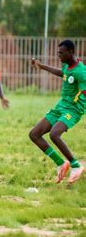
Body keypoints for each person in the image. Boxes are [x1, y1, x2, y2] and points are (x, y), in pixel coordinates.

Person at [29, 40, 85, 184]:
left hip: (74, 109)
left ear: (71, 52)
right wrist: (42, 66)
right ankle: (61, 163)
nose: (58, 56)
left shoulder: (81, 72)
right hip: (60, 106)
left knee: (54, 134)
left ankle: (76, 165)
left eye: (61, 53)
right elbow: (62, 73)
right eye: (58, 53)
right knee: (34, 134)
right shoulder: (67, 65)